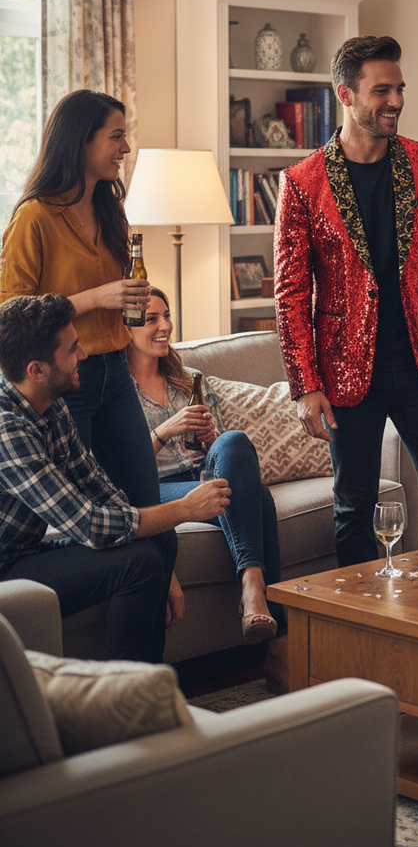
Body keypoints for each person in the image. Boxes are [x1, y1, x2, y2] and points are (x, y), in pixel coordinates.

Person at [274, 35, 418, 567]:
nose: (396, 101)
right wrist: (306, 385)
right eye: (381, 90)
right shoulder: (301, 183)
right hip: (345, 373)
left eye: (400, 89)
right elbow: (291, 295)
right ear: (345, 94)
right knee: (352, 509)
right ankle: (359, 636)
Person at [0, 294, 230, 662]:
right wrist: (185, 508)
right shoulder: (7, 429)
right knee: (140, 562)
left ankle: (151, 690)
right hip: (5, 569)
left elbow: (99, 489)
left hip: (22, 552)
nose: (85, 356)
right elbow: (90, 524)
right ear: (36, 370)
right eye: (73, 349)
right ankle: (126, 701)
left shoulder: (50, 402)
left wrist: (165, 560)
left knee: (157, 545)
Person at [0, 89, 157, 507]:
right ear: (81, 140)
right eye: (116, 136)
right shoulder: (34, 216)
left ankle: (166, 576)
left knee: (145, 496)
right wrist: (96, 298)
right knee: (90, 507)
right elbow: (9, 316)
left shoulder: (111, 211)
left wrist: (129, 301)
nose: (125, 148)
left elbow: (116, 295)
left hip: (116, 374)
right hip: (68, 381)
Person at [126, 288, 286, 675]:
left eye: (167, 316)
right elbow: (123, 469)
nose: (164, 326)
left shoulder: (189, 379)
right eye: (152, 320)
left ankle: (254, 593)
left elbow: (229, 454)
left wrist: (214, 439)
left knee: (233, 441)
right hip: (156, 488)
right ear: (126, 328)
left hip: (204, 473)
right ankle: (266, 619)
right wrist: (164, 431)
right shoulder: (117, 393)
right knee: (258, 500)